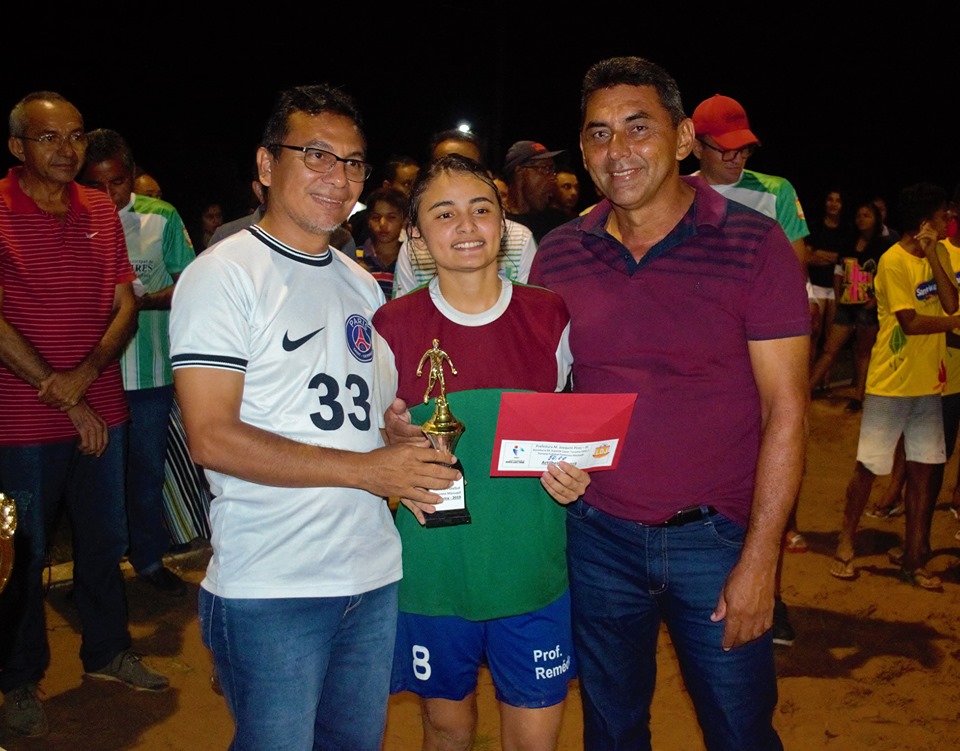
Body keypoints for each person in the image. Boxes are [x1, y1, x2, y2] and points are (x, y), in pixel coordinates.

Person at [527, 56, 809, 749]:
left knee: (740, 731)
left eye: (637, 127)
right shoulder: (559, 254)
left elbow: (787, 411)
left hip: (713, 543)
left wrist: (760, 559)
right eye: (597, 134)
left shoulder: (753, 243)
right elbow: (544, 387)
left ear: (684, 137)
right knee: (612, 730)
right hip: (597, 538)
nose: (616, 151)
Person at [169, 82, 459, 750]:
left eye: (354, 162)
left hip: (371, 573)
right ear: (268, 166)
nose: (339, 177)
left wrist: (398, 439)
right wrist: (370, 468)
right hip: (275, 583)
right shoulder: (225, 273)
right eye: (318, 156)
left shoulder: (360, 281)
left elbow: (369, 418)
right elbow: (211, 436)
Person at [374, 153, 588, 751]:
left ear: (503, 223)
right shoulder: (389, 327)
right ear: (416, 235)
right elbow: (368, 452)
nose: (466, 228)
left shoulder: (551, 316)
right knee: (447, 728)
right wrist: (389, 448)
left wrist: (580, 473)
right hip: (434, 575)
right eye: (444, 215)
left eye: (480, 210)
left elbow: (577, 432)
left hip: (533, 573)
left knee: (535, 737)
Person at [0, 91, 169, 738]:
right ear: (19, 147)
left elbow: (126, 302)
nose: (67, 149)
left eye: (74, 136)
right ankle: (19, 678)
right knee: (24, 551)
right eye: (49, 138)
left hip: (100, 399)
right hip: (22, 414)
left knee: (106, 538)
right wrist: (58, 387)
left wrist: (85, 378)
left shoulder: (100, 206)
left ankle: (106, 650)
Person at [690, 91, 814, 644]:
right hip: (703, 364)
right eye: (725, 151)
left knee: (771, 469)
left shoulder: (776, 192)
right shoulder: (678, 192)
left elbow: (794, 268)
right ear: (696, 145)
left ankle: (772, 591)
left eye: (744, 150)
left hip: (760, 354)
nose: (737, 161)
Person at [78, 127, 196, 597]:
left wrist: (140, 303)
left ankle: (147, 559)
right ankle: (99, 569)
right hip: (94, 373)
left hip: (148, 372)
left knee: (146, 472)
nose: (108, 195)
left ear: (132, 175)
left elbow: (189, 285)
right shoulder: (73, 216)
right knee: (96, 478)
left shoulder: (161, 217)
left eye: (118, 183)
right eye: (97, 185)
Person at [829, 182, 956, 592]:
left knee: (923, 472)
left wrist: (935, 254)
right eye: (942, 217)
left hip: (928, 385)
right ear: (925, 221)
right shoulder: (893, 261)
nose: (948, 222)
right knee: (869, 467)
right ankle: (846, 542)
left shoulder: (935, 257)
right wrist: (955, 324)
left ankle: (915, 558)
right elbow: (910, 322)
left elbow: (952, 302)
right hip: (890, 383)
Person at [392, 131, 537, 298]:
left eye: (468, 165)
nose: (467, 226)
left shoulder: (520, 238)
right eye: (445, 215)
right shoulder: (411, 249)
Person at [808, 200, 889, 413]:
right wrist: (838, 295)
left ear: (876, 219)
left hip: (867, 309)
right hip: (846, 305)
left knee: (863, 354)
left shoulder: (883, 246)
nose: (862, 219)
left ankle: (858, 396)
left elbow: (886, 279)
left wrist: (872, 304)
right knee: (829, 350)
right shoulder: (849, 242)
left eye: (867, 215)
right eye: (859, 215)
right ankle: (806, 390)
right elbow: (838, 271)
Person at [807, 188, 850, 380]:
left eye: (837, 200)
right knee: (812, 335)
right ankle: (807, 378)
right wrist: (829, 257)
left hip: (835, 288)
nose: (833, 204)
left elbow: (844, 260)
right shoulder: (815, 227)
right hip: (815, 285)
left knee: (830, 337)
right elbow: (807, 257)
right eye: (830, 199)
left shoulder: (846, 230)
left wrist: (820, 253)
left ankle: (825, 380)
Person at [502, 140, 570, 242]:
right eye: (545, 168)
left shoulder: (560, 223)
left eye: (553, 170)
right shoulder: (499, 223)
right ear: (520, 172)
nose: (553, 178)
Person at [349, 154, 419, 246]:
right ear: (387, 186)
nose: (414, 189)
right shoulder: (361, 224)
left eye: (418, 183)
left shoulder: (426, 220)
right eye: (407, 184)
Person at [353, 185, 407, 299]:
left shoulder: (410, 259)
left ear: (404, 220)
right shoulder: (355, 257)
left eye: (391, 217)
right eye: (376, 218)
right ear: (368, 220)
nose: (382, 224)